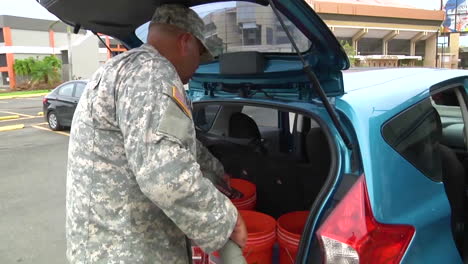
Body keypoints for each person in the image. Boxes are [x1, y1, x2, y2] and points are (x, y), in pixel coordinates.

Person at [66, 4, 247, 263]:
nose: (198, 66)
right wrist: (225, 222)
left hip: (100, 247)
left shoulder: (123, 67)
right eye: (200, 54)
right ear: (185, 42)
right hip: (129, 251)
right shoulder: (153, 72)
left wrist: (218, 175)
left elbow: (175, 145)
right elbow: (165, 175)